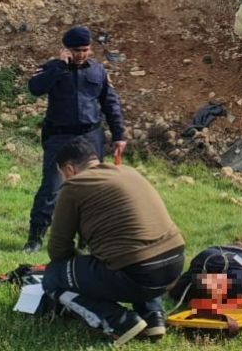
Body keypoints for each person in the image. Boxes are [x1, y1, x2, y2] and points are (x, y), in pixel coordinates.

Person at [41, 137, 184, 346]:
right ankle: (153, 317)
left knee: (53, 276)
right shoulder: (128, 171)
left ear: (69, 169)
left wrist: (75, 269)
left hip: (138, 272)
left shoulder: (73, 186)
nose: (63, 179)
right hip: (175, 266)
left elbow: (58, 250)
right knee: (134, 251)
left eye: (61, 175)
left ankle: (121, 322)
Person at [23, 26, 126, 253]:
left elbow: (111, 103)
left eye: (85, 50)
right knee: (51, 187)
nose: (82, 54)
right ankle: (35, 238)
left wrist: (119, 135)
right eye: (77, 50)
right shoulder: (53, 68)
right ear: (67, 50)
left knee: (93, 188)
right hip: (60, 136)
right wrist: (60, 67)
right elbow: (35, 88)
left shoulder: (98, 71)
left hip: (90, 136)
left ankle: (87, 239)